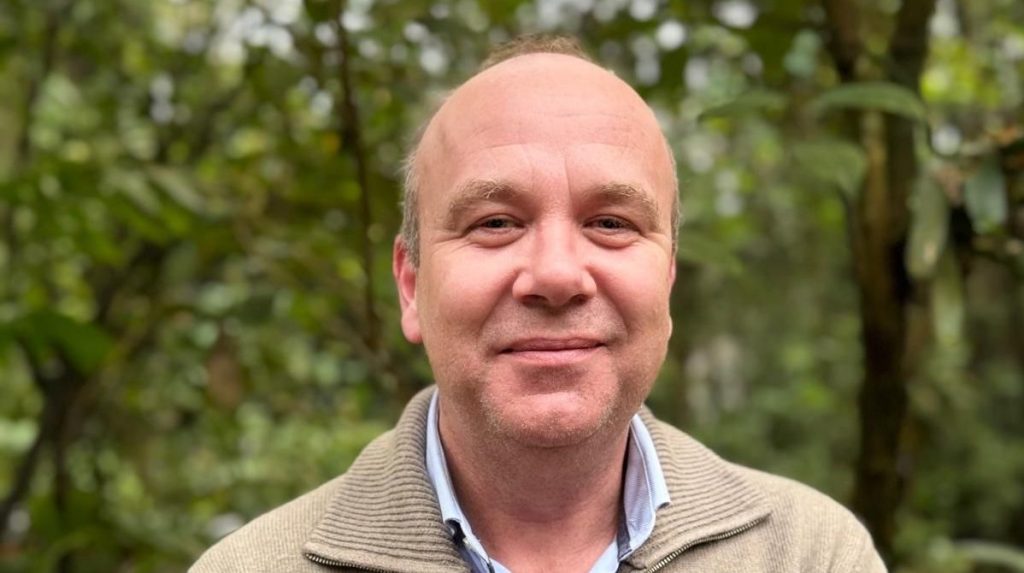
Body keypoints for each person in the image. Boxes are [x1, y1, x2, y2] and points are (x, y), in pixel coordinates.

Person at [191, 35, 886, 573]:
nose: (556, 275)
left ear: (668, 279)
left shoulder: (811, 553)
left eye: (610, 222)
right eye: (495, 222)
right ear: (410, 284)